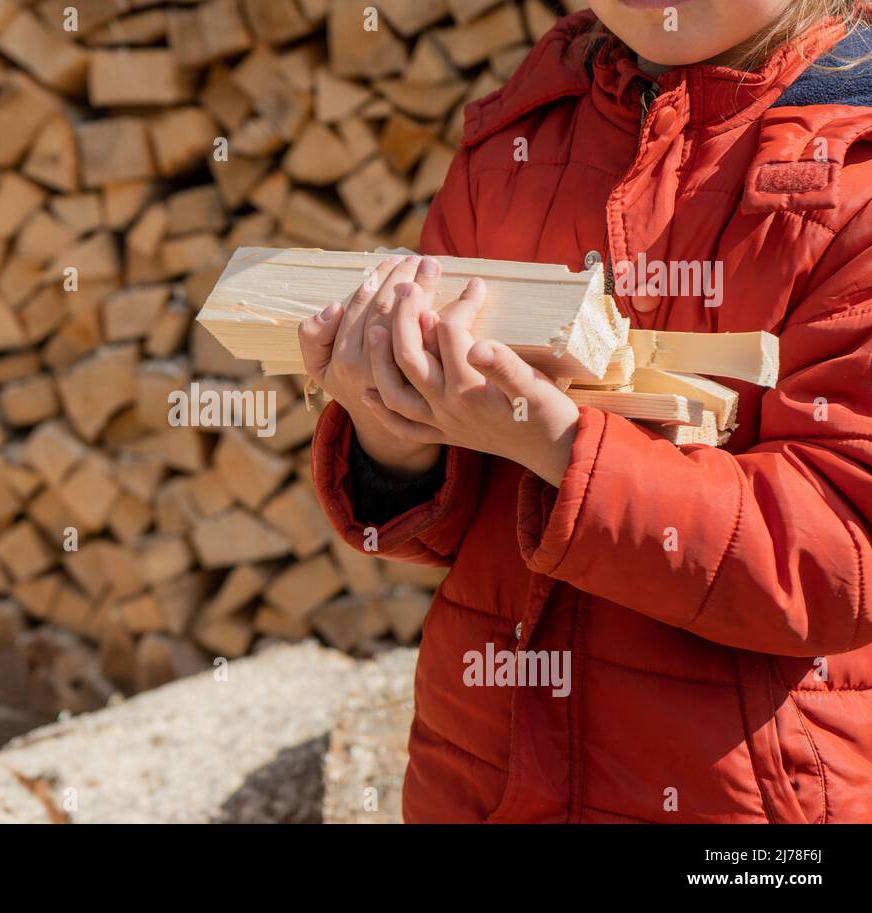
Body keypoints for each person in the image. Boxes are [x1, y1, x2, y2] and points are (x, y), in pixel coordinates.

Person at [298, 0, 872, 822]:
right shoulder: (516, 145)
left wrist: (561, 447)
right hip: (478, 780)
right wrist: (394, 426)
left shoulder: (857, 172)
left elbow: (840, 556)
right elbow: (451, 527)